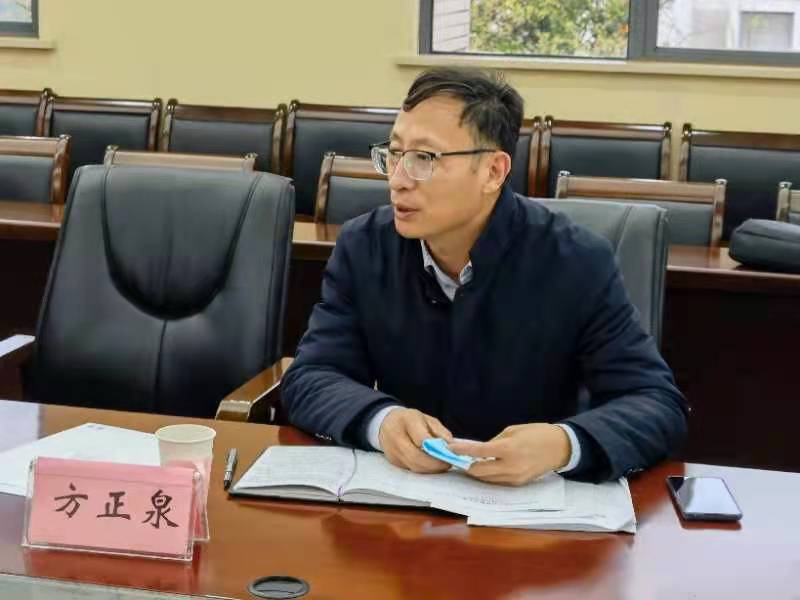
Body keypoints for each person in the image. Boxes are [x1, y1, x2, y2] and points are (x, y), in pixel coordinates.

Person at [281, 67, 687, 484]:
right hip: (407, 498)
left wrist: (562, 445)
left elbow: (656, 404)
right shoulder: (365, 245)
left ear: (493, 171)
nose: (397, 180)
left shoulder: (577, 260)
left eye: (424, 158)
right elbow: (311, 377)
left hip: (530, 508)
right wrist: (381, 421)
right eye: (395, 154)